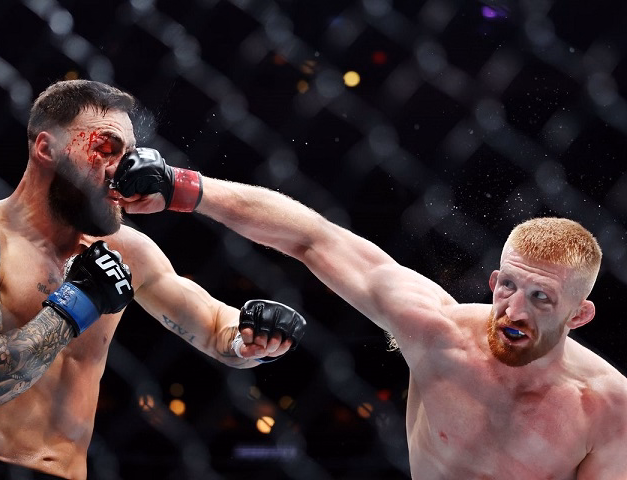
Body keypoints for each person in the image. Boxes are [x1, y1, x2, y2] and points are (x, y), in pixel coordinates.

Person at [112, 149, 627, 478]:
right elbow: (313, 238)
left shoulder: (607, 405)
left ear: (578, 316)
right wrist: (182, 186)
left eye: (541, 298)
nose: (513, 310)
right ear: (493, 281)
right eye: (508, 286)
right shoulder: (439, 333)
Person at [0, 80, 306, 480]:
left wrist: (253, 334)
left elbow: (213, 325)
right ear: (46, 148)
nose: (123, 169)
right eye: (106, 149)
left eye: (129, 155)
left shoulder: (125, 250)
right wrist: (76, 305)